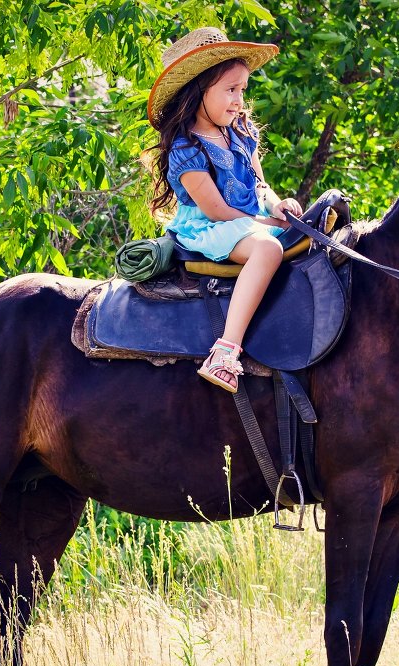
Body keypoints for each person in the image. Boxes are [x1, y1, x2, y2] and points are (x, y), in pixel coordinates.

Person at [144, 27, 303, 393]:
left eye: (242, 90)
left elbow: (259, 184)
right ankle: (226, 351)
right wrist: (264, 223)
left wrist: (277, 204)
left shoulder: (241, 133)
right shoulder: (187, 148)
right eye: (230, 90)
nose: (239, 101)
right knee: (269, 248)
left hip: (249, 221)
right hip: (209, 228)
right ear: (199, 91)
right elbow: (215, 210)